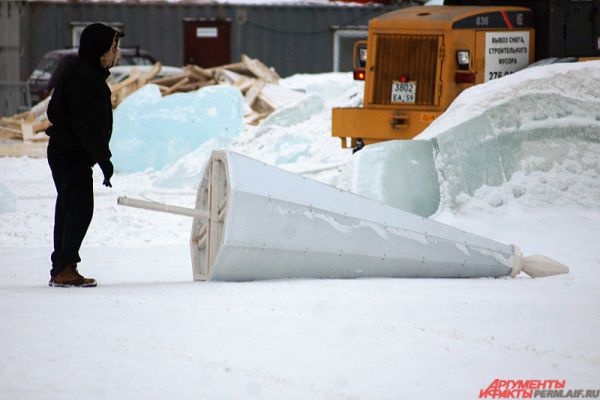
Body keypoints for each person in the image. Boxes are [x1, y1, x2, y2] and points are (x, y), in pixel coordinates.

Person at [46, 23, 124, 287]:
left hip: (67, 151)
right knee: (78, 210)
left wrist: (99, 155)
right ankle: (65, 268)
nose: (117, 52)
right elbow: (87, 125)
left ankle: (62, 266)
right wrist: (104, 159)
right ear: (101, 50)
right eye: (114, 46)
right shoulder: (85, 78)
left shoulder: (84, 72)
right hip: (70, 153)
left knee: (70, 208)